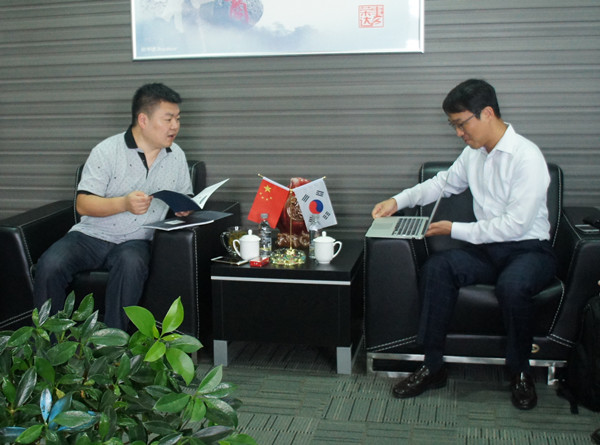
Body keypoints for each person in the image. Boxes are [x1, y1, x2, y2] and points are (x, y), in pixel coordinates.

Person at [371, 79, 557, 410]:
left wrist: (454, 229)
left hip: (528, 248)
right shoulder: (473, 155)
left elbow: (516, 224)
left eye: (461, 124)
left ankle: (521, 372)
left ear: (487, 113)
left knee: (513, 286)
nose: (459, 133)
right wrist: (397, 201)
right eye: (453, 126)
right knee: (437, 269)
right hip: (488, 251)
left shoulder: (526, 157)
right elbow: (441, 184)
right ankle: (432, 366)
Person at [34, 83, 193, 330]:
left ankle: (113, 345)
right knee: (50, 264)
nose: (175, 126)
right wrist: (123, 203)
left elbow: (184, 194)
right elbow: (83, 204)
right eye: (168, 119)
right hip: (91, 236)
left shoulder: (176, 155)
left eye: (178, 119)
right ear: (143, 120)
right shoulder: (107, 151)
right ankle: (49, 344)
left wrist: (185, 207)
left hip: (137, 240)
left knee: (131, 264)